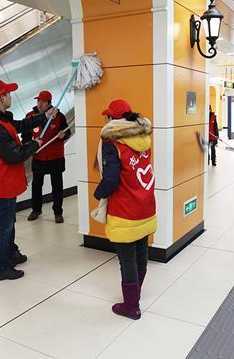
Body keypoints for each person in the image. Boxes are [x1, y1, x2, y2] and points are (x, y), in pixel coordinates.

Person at [0, 80, 56, 281]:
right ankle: (0, 268)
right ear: (1, 98)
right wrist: (33, 144)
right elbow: (15, 155)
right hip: (1, 183)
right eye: (8, 93)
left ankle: (10, 254)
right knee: (4, 226)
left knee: (9, 221)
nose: (10, 96)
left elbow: (19, 125)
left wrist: (44, 116)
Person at [94, 99, 157, 320]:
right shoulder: (143, 137)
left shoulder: (112, 143)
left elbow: (111, 179)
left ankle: (131, 306)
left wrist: (98, 193)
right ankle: (136, 294)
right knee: (141, 251)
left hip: (125, 209)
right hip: (145, 204)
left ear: (112, 119)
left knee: (126, 260)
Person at [22, 91, 70, 223]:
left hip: (56, 157)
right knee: (36, 186)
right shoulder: (31, 116)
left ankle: (58, 212)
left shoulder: (58, 116)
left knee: (57, 186)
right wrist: (28, 146)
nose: (40, 104)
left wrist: (63, 135)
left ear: (49, 103)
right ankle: (36, 210)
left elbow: (67, 132)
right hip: (39, 157)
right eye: (38, 101)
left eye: (43, 102)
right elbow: (25, 137)